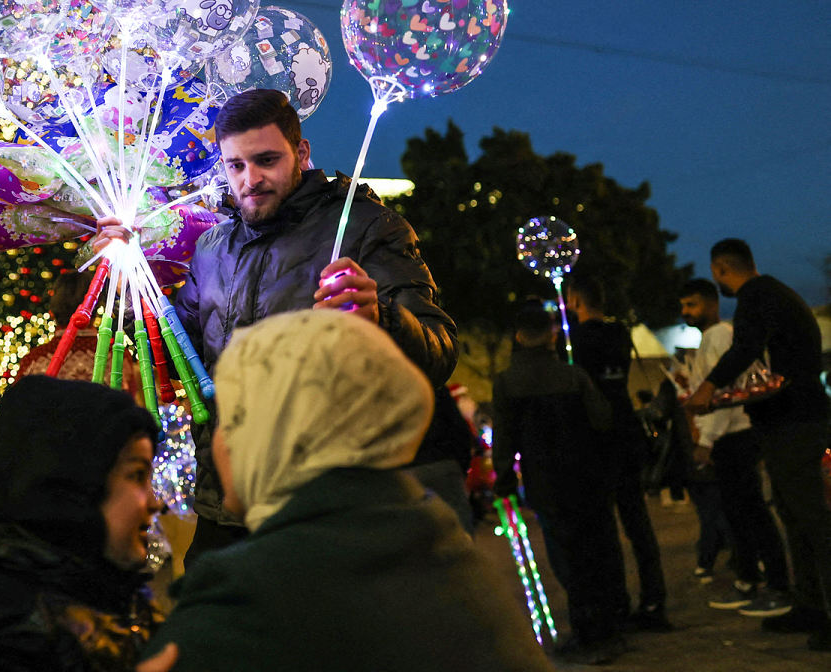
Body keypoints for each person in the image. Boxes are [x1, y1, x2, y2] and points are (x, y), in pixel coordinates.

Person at [101, 87, 464, 562]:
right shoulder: (212, 248)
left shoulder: (367, 228)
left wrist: (382, 318)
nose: (250, 179)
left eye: (266, 159)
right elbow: (179, 357)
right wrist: (129, 284)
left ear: (302, 153)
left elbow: (439, 351)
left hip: (326, 509)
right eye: (235, 165)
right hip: (227, 506)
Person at [144, 309, 550, 672]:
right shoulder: (436, 542)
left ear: (268, 434)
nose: (219, 441)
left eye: (231, 417)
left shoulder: (248, 601)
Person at [0, 375, 165, 671]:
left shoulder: (115, 591)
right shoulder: (8, 627)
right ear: (78, 487)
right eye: (136, 475)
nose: (156, 501)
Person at [684, 239, 831, 652]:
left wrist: (709, 387)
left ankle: (824, 611)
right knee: (794, 515)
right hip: (792, 418)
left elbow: (744, 349)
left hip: (795, 423)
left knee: (811, 518)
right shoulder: (775, 294)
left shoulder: (756, 296)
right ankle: (809, 606)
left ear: (719, 269)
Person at [491, 301, 629, 665]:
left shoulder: (507, 382)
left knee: (565, 556)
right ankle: (610, 626)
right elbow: (602, 419)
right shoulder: (574, 375)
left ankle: (587, 632)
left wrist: (503, 481)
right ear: (552, 335)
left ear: (519, 336)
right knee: (597, 549)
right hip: (587, 476)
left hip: (545, 482)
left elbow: (505, 440)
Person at [678, 277, 792, 614]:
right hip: (729, 436)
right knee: (738, 513)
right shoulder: (711, 339)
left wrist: (708, 440)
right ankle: (749, 580)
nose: (686, 312)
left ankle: (775, 583)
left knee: (750, 511)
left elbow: (725, 391)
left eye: (692, 305)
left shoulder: (720, 336)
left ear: (712, 304)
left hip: (735, 435)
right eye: (683, 306)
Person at [565, 274, 670, 630]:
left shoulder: (574, 340)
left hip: (594, 438)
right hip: (626, 431)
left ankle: (615, 603)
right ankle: (655, 600)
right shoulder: (620, 334)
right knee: (638, 521)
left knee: (603, 526)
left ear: (575, 301)